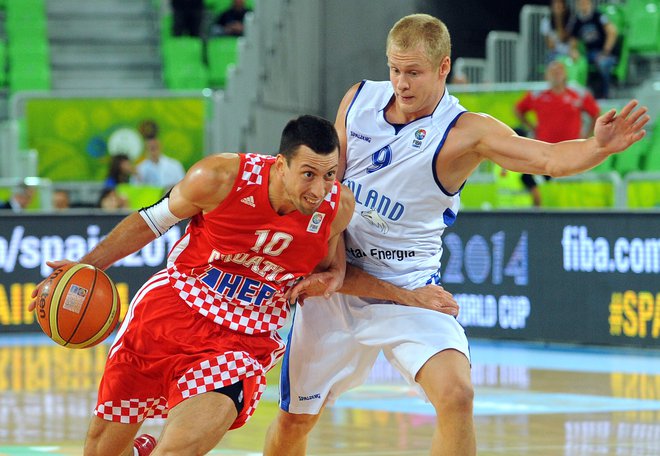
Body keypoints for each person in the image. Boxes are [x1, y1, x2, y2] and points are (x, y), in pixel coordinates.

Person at [263, 14, 648, 456]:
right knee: (293, 422)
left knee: (457, 396)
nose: (401, 83)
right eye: (394, 69)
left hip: (410, 292)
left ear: (443, 67)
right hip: (339, 282)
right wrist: (321, 258)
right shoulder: (358, 100)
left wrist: (596, 147)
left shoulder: (466, 132)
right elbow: (331, 189)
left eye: (413, 72)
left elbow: (546, 159)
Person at [29, 114, 354, 456]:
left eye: (329, 175)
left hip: (241, 342)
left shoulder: (336, 208)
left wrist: (336, 276)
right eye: (309, 174)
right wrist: (87, 265)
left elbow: (330, 264)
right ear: (280, 165)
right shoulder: (220, 177)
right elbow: (151, 222)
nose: (319, 189)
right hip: (170, 313)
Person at [514, 60, 600, 206]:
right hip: (545, 151)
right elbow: (518, 110)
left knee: (571, 188)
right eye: (552, 71)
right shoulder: (537, 95)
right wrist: (532, 127)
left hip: (572, 151)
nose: (556, 74)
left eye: (559, 71)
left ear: (565, 74)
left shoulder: (578, 95)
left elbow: (595, 113)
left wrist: (586, 135)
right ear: (547, 75)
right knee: (544, 188)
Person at [566, 0, 618, 98]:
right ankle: (578, 96)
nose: (583, 5)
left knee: (603, 63)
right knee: (573, 63)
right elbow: (573, 41)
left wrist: (606, 51)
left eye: (585, 2)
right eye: (580, 3)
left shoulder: (599, 16)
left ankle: (605, 95)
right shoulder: (577, 20)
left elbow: (612, 32)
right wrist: (573, 51)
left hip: (603, 52)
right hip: (588, 54)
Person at [135, 119, 186, 190]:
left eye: (155, 147)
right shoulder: (140, 168)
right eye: (151, 148)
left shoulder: (174, 165)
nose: (153, 151)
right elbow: (136, 189)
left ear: (160, 146)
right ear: (145, 149)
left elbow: (183, 186)